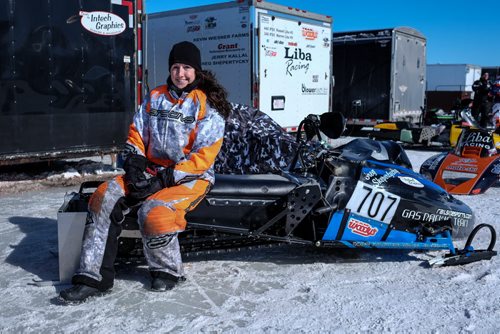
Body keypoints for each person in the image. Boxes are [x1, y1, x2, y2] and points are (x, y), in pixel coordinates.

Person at [59, 41, 231, 303]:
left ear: (196, 71)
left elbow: (203, 157)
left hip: (190, 177)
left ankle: (167, 271)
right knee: (103, 198)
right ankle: (93, 278)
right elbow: (137, 134)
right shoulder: (155, 97)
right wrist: (135, 164)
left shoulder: (205, 105)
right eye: (175, 67)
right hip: (150, 170)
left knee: (155, 211)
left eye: (187, 68)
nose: (180, 73)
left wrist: (166, 177)